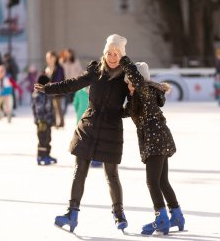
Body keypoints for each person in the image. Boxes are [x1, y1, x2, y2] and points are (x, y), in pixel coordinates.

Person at [34, 34, 131, 233]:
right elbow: (73, 83)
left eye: (117, 54)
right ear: (104, 53)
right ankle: (72, 213)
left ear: (122, 56)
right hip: (89, 126)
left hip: (111, 130)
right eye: (109, 53)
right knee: (79, 171)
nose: (112, 57)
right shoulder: (95, 70)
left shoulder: (126, 76)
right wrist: (49, 89)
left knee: (111, 174)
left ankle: (119, 214)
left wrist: (122, 112)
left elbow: (133, 103)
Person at [122, 61, 185, 235]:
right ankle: (177, 215)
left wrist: (124, 60)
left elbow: (137, 84)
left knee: (152, 182)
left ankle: (162, 218)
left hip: (154, 141)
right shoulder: (137, 96)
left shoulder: (145, 91)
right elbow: (125, 112)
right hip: (160, 139)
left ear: (138, 80)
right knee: (162, 181)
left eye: (130, 81)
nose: (128, 85)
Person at [73, 86, 102, 167]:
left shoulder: (79, 92)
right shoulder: (96, 92)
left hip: (83, 119)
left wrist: (79, 113)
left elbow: (75, 104)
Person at [31, 75, 57, 165]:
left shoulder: (46, 94)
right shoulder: (39, 95)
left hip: (47, 121)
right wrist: (41, 120)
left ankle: (46, 155)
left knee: (48, 138)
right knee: (42, 139)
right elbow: (39, 109)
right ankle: (41, 156)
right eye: (48, 83)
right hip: (42, 122)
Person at [60, 48, 84, 115]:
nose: (68, 55)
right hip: (66, 83)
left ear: (71, 54)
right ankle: (63, 114)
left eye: (69, 53)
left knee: (75, 99)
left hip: (74, 83)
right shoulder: (62, 61)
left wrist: (79, 78)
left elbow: (80, 70)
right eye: (66, 53)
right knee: (66, 100)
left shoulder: (75, 61)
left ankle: (76, 112)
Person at [45, 51, 65, 128]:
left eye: (50, 57)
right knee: (52, 107)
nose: (49, 59)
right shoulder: (47, 67)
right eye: (47, 58)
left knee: (58, 106)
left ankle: (60, 122)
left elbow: (59, 79)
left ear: (54, 58)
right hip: (50, 90)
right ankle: (54, 122)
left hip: (57, 89)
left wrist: (52, 83)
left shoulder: (59, 68)